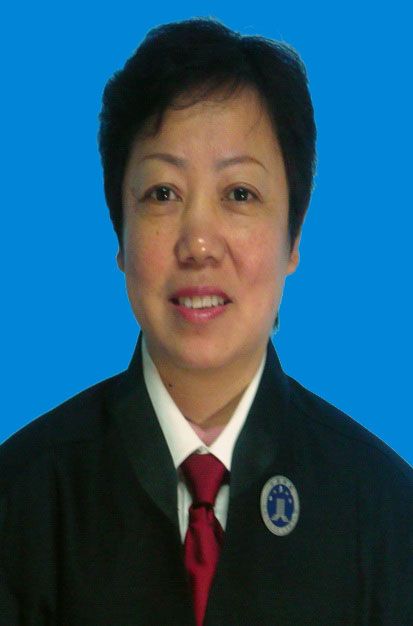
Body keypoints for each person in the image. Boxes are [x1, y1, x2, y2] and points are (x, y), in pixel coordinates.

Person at [0, 16, 412, 626]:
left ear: (294, 237)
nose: (198, 243)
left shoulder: (385, 513)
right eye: (162, 193)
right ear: (120, 234)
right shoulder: (22, 500)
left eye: (239, 194)